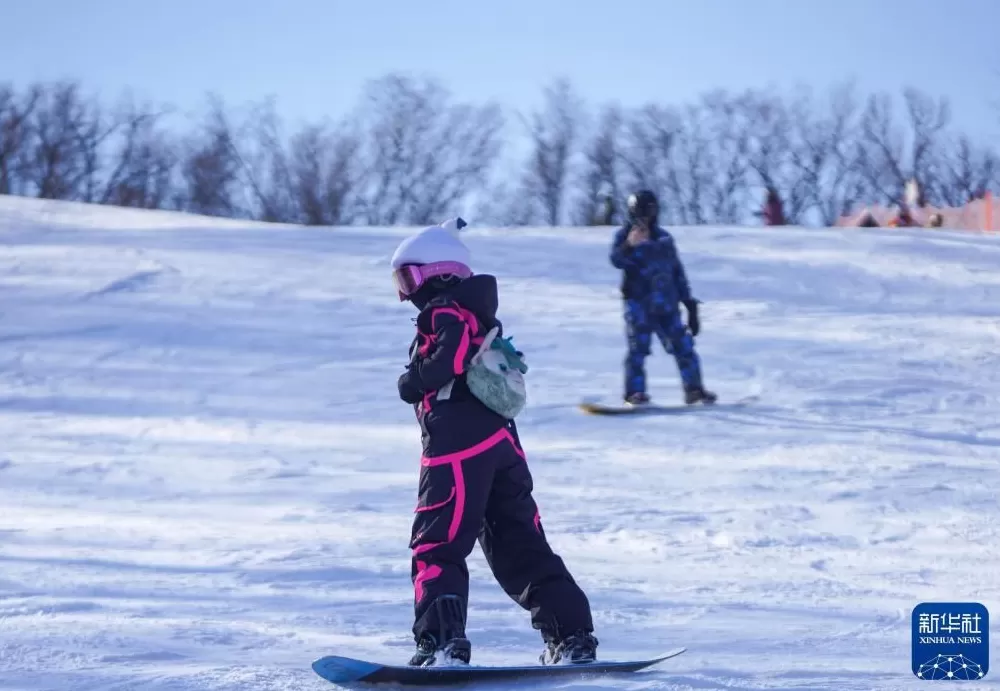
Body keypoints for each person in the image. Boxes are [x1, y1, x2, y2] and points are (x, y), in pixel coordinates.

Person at [391, 217, 599, 668]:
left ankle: (441, 643)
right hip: (502, 445)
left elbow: (445, 361)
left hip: (456, 449)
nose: (405, 292)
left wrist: (413, 380)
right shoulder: (481, 316)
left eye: (408, 277)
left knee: (436, 543)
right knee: (518, 543)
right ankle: (572, 635)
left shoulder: (443, 311)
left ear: (441, 273)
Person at [609, 190, 716, 405]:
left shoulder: (665, 239)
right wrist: (629, 245)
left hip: (667, 305)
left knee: (684, 347)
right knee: (637, 350)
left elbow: (677, 272)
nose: (647, 217)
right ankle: (634, 393)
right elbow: (616, 260)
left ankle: (694, 389)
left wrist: (690, 305)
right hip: (639, 305)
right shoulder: (625, 237)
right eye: (642, 212)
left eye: (650, 211)